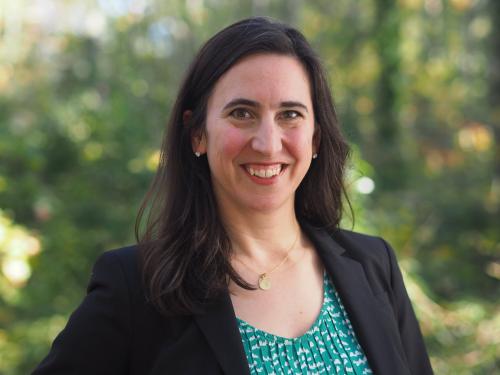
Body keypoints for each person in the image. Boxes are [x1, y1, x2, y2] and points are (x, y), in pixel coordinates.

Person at [33, 17, 433, 375]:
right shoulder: (136, 287)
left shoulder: (373, 265)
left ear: (316, 137)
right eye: (242, 113)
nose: (267, 142)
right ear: (197, 133)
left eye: (290, 114)